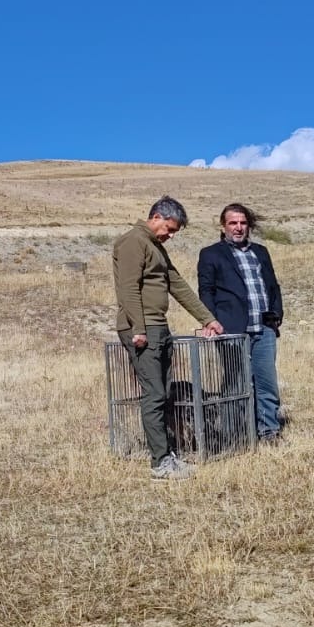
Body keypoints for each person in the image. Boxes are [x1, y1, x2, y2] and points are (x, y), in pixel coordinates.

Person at [113, 196, 224, 480]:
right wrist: (138, 327)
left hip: (159, 326)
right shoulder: (133, 241)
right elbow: (127, 288)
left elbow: (179, 286)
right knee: (154, 394)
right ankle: (159, 463)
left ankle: (167, 455)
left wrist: (207, 318)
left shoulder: (156, 248)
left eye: (174, 232)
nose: (171, 236)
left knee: (164, 393)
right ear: (157, 217)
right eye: (170, 229)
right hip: (142, 328)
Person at [198, 202, 285, 443]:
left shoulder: (261, 252)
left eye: (243, 223)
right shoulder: (210, 254)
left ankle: (268, 432)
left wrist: (276, 314)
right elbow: (206, 291)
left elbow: (273, 286)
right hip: (232, 330)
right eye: (233, 223)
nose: (238, 228)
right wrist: (210, 320)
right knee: (235, 383)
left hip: (264, 329)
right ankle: (234, 435)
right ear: (223, 225)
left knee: (266, 383)